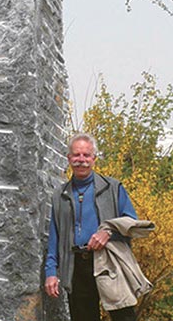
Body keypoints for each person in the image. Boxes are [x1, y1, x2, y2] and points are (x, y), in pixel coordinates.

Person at [44, 132, 138, 321]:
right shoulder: (59, 195)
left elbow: (132, 223)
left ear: (94, 158)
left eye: (86, 155)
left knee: (124, 318)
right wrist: (51, 272)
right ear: (69, 158)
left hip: (109, 263)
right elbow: (55, 238)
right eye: (76, 155)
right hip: (77, 266)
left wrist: (108, 233)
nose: (81, 160)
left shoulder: (112, 187)